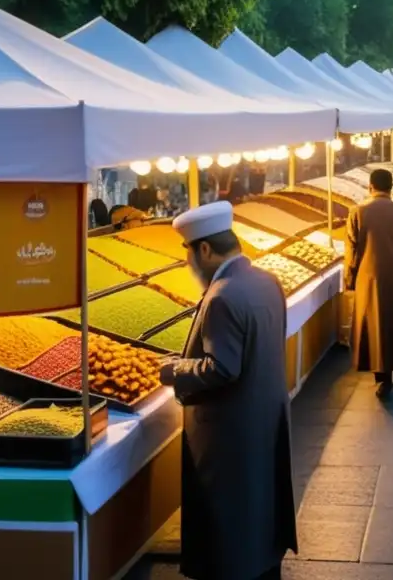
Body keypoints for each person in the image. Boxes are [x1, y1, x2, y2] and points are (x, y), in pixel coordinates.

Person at [161, 201, 296, 580]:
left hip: (229, 433)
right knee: (260, 515)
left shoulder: (222, 296)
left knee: (229, 526)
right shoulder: (266, 281)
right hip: (263, 419)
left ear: (203, 249)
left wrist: (174, 370)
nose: (189, 264)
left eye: (188, 253)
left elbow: (221, 368)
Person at [345, 169, 393, 398]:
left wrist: (350, 280)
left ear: (370, 186)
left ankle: (379, 374)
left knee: (371, 324)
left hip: (367, 277)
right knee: (392, 323)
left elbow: (351, 251)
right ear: (391, 188)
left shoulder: (358, 212)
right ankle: (387, 373)